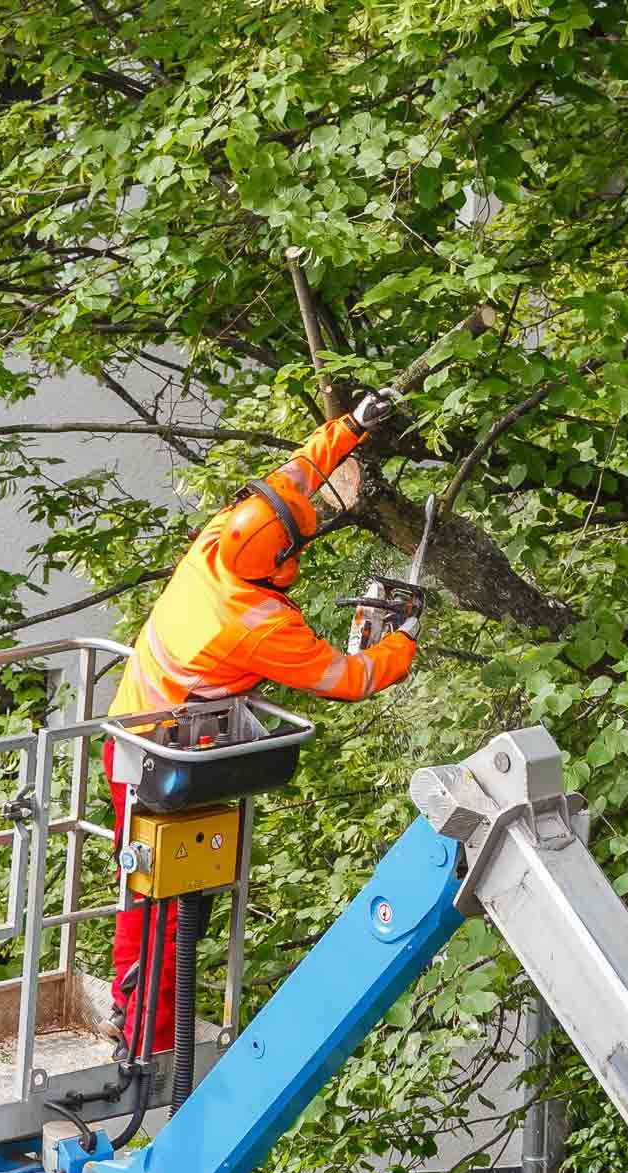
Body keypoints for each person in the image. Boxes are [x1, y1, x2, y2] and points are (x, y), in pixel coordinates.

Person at [102, 389, 420, 1056]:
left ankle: (137, 1016)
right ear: (282, 560)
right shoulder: (259, 624)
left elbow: (292, 478)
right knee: (166, 907)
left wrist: (351, 427)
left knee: (153, 894)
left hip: (136, 742)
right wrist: (403, 641)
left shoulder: (218, 542)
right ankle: (146, 1039)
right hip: (167, 763)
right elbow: (351, 679)